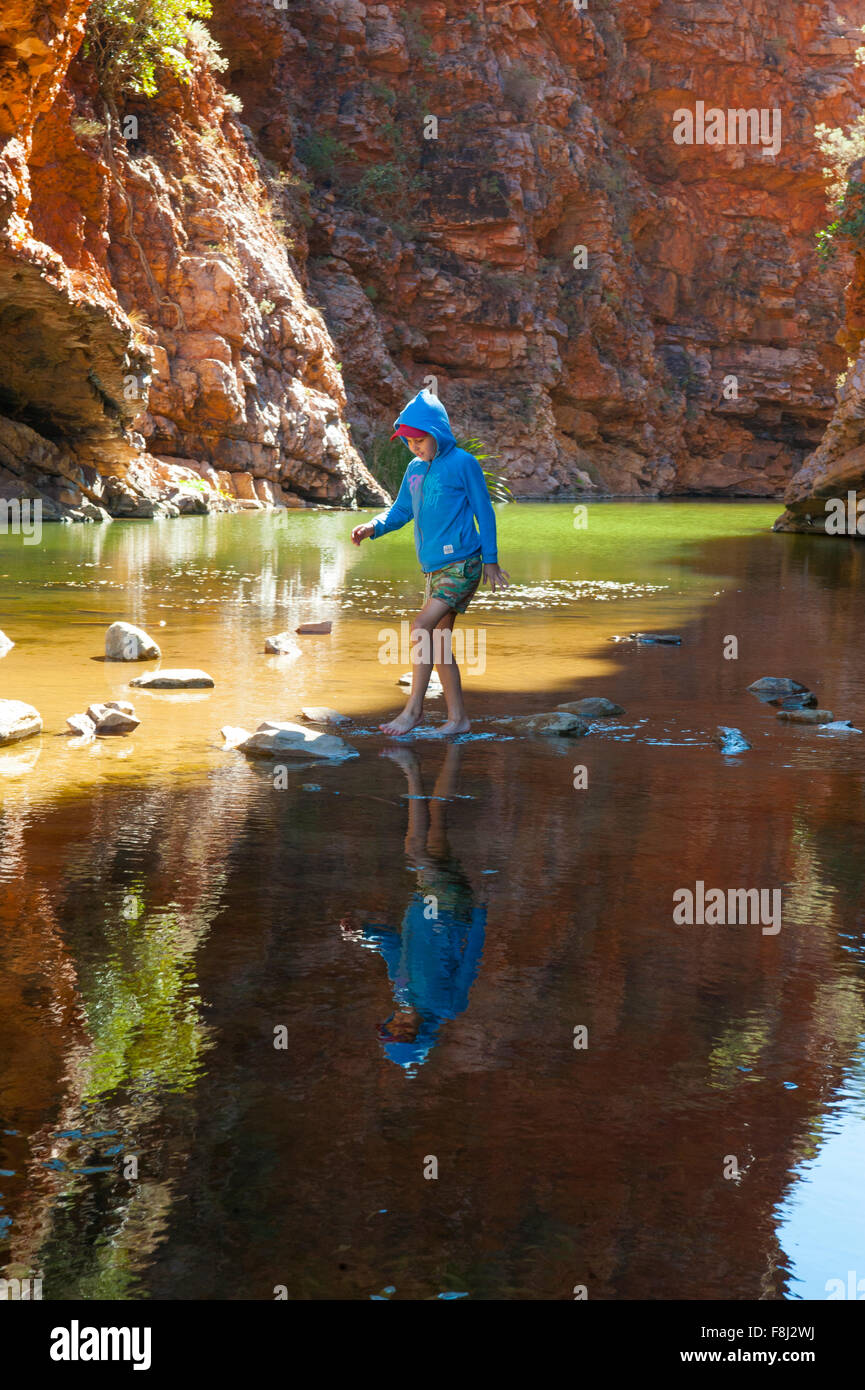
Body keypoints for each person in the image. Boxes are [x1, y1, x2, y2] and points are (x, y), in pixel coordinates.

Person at [351, 390, 510, 736]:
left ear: (437, 433)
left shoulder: (463, 463)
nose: (415, 448)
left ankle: (413, 711)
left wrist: (491, 561)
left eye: (420, 440)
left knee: (420, 628)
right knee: (439, 644)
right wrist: (374, 526)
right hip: (433, 570)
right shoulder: (414, 469)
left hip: (463, 563)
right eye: (408, 443)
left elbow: (485, 511)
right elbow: (402, 511)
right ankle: (458, 720)